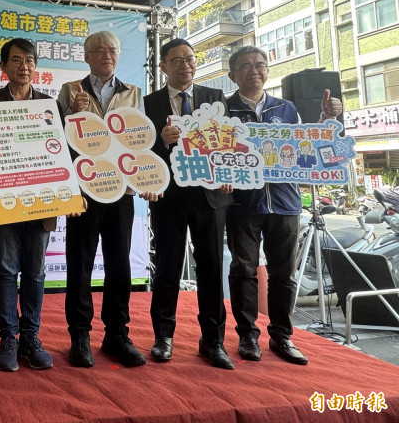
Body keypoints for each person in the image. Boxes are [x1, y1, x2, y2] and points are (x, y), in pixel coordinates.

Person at [225, 46, 342, 366]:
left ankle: (281, 336)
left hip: (285, 202)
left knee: (284, 274)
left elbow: (308, 145)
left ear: (267, 70)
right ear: (232, 74)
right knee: (243, 270)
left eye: (260, 65)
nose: (254, 70)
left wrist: (326, 119)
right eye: (246, 66)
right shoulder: (223, 110)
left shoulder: (286, 108)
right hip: (243, 203)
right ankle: (247, 335)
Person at [56, 30, 147, 368]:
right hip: (84, 191)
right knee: (79, 264)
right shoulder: (70, 90)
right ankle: (79, 335)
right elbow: (56, 140)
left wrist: (146, 178)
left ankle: (116, 334)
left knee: (120, 264)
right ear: (86, 56)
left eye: (112, 50)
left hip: (121, 190)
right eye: (99, 50)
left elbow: (141, 141)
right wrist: (70, 113)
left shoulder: (133, 92)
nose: (106, 55)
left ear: (118, 56)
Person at [0, 38, 60, 372]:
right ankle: (8, 337)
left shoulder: (50, 105)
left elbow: (60, 154)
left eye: (30, 60)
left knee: (36, 271)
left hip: (42, 200)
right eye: (17, 60)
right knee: (7, 268)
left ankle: (31, 337)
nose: (24, 66)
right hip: (5, 198)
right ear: (3, 66)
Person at [143, 38, 234, 369]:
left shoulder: (215, 97)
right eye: (177, 60)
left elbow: (229, 142)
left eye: (190, 59)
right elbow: (139, 150)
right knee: (167, 269)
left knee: (211, 268)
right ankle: (163, 337)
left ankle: (213, 341)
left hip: (211, 197)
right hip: (168, 197)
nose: (185, 65)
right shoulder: (148, 103)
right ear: (163, 66)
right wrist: (161, 141)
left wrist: (227, 172)